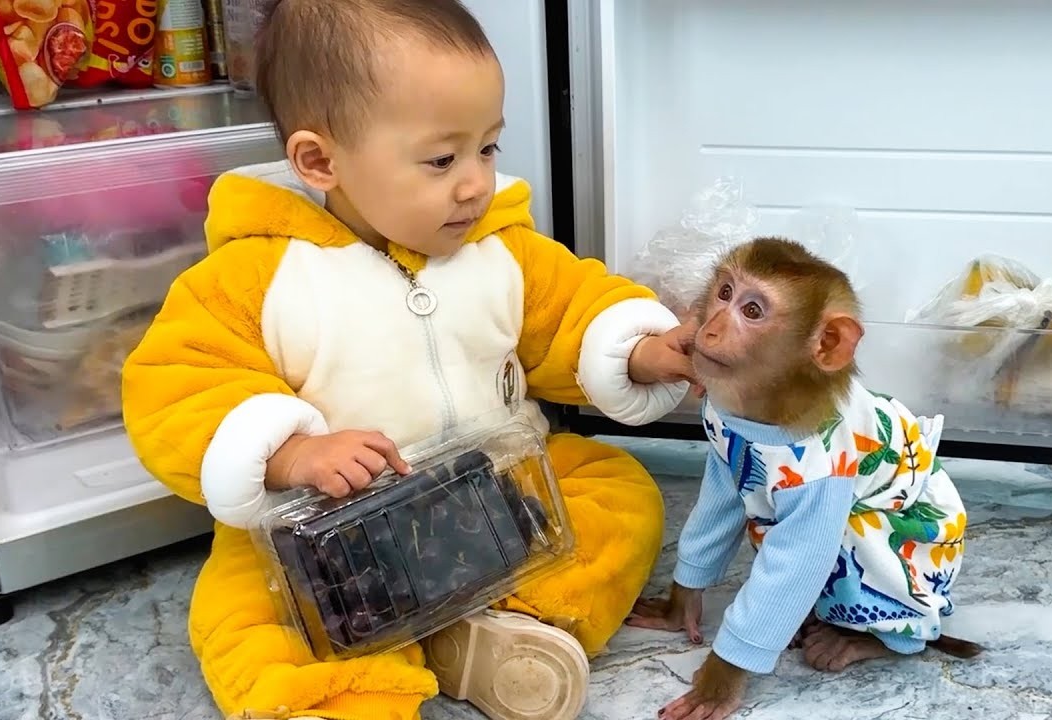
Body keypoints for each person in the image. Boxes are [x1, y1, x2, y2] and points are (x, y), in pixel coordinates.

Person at [120, 1, 695, 719]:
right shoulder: (253, 278)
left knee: (617, 490)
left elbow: (570, 314)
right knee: (250, 609)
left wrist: (640, 351)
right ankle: (346, 701)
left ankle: (517, 620)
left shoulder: (502, 250)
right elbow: (177, 386)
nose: (476, 183)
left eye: (488, 148)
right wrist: (292, 455)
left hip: (496, 494)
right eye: (442, 159)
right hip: (331, 531)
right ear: (320, 161)